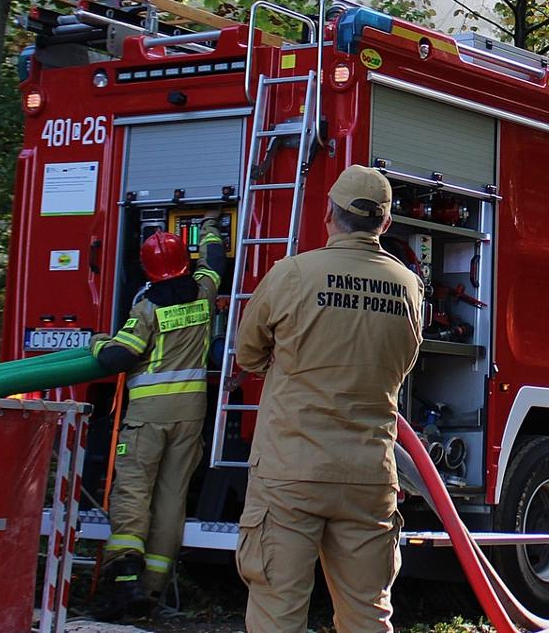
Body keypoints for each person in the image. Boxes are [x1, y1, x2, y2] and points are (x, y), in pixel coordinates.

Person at [234, 165, 424, 633]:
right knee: (368, 614)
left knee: (278, 610)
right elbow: (403, 363)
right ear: (384, 224)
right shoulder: (408, 287)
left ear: (329, 214)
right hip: (368, 475)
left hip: (290, 469)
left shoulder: (293, 274)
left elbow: (247, 352)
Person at [92, 220, 226, 620]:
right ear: (186, 263)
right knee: (171, 499)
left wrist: (98, 341)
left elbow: (119, 356)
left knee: (134, 489)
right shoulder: (204, 291)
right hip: (191, 416)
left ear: (147, 269)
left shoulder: (147, 308)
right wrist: (211, 227)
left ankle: (123, 577)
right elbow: (216, 260)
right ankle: (152, 589)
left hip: (148, 417)